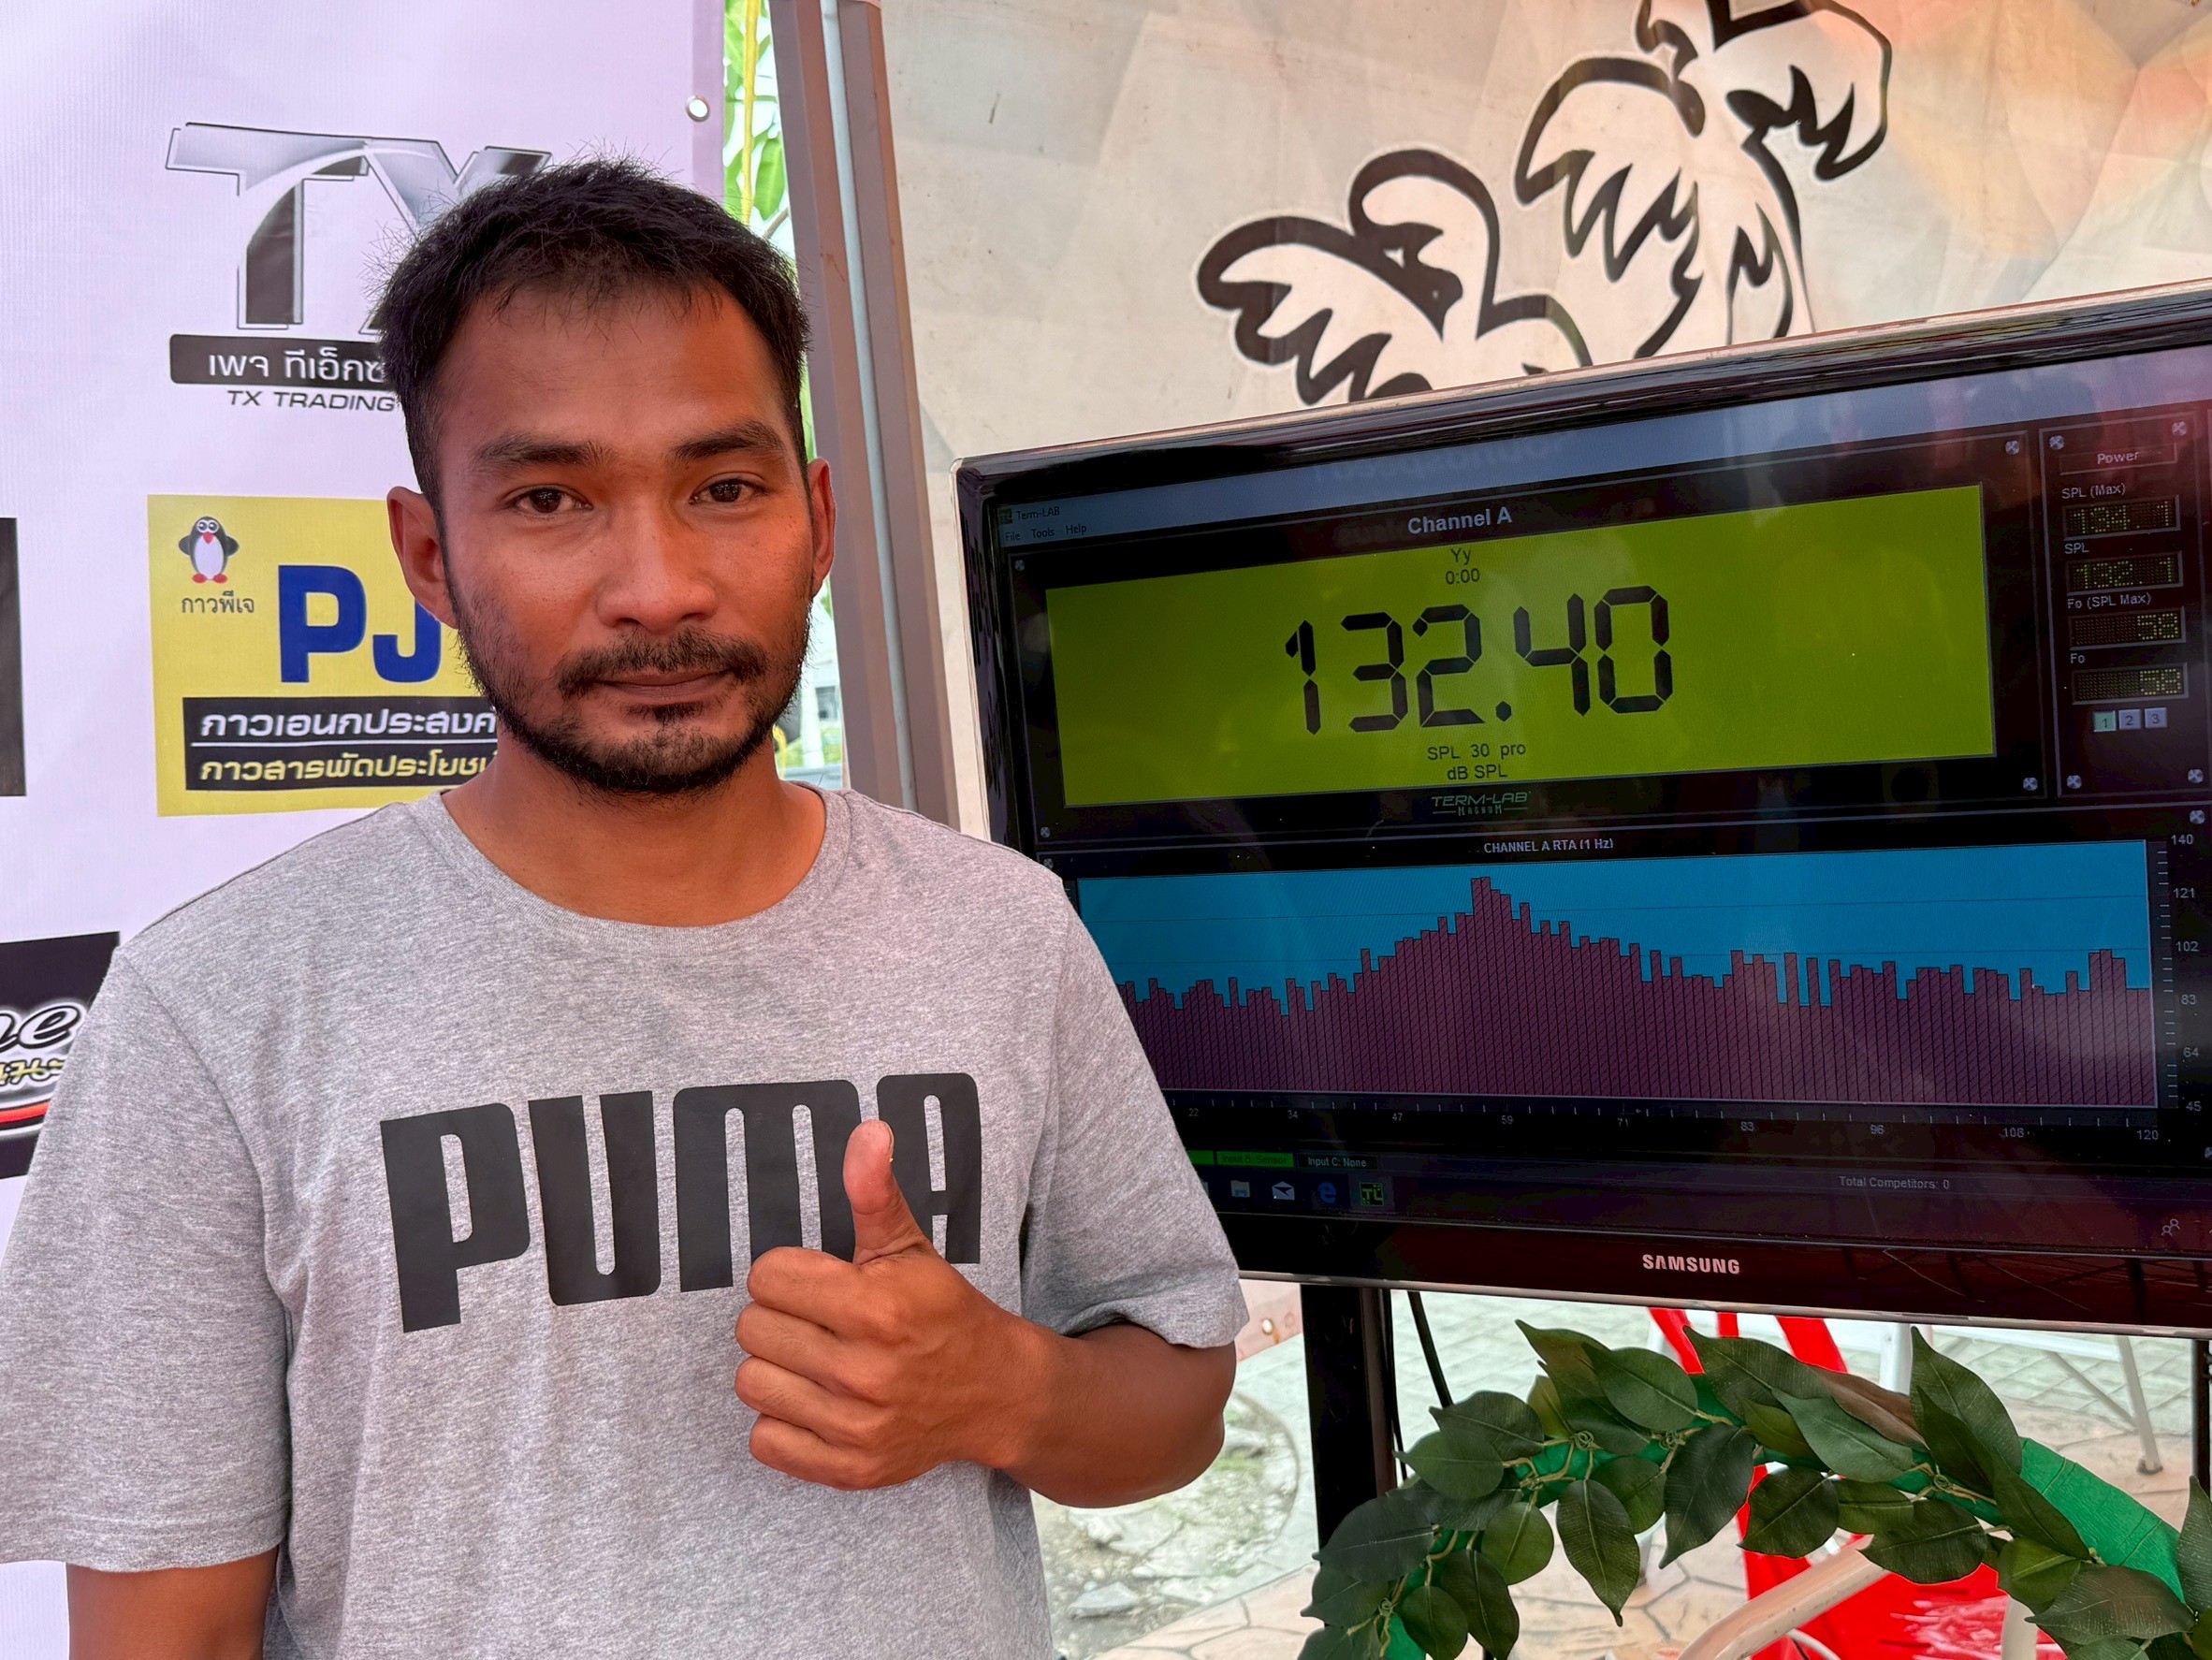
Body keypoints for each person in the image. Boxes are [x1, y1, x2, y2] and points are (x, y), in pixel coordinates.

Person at [0, 159, 1244, 1659]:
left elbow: (1178, 1394)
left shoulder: (1001, 930)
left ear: (819, 519)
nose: (658, 587)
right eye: (551, 499)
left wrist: (1006, 1388)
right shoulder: (217, 1009)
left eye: (725, 487)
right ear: (428, 556)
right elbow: (164, 1635)